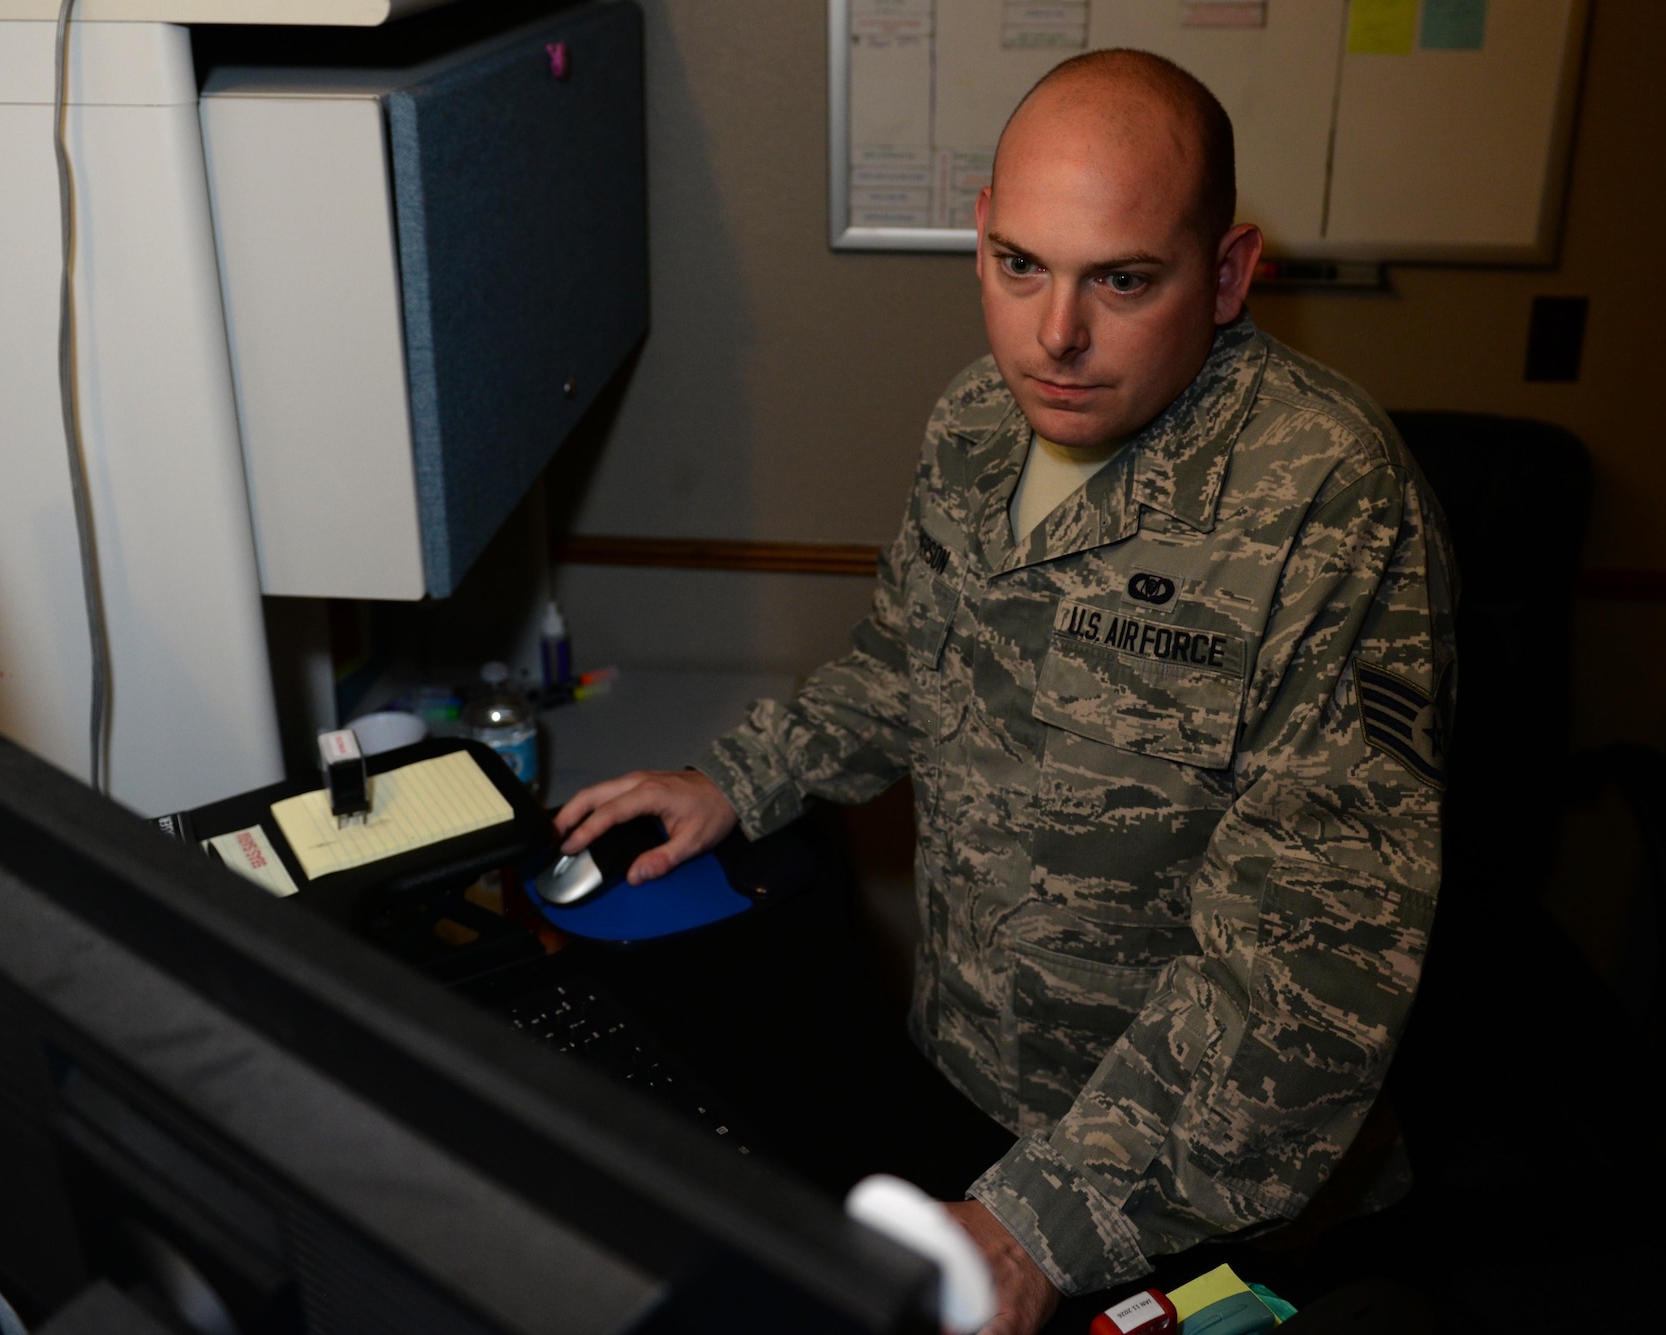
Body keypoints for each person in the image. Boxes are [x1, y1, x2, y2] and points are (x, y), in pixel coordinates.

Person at [556, 49, 1454, 1335]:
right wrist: (736, 780)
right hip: (972, 1079)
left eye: (1123, 281)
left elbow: (1306, 962)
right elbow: (903, 662)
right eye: (1018, 265)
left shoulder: (1329, 500)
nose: (1054, 336)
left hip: (1184, 1179)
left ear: (1229, 274)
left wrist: (1041, 1223)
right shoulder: (977, 425)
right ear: (978, 234)